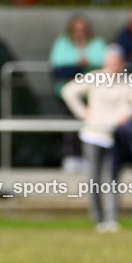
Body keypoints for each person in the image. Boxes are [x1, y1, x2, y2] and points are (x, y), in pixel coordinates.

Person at [61, 45, 132, 233]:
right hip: (93, 134)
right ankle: (98, 218)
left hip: (115, 136)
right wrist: (82, 112)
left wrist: (129, 113)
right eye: (111, 60)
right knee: (93, 178)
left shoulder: (129, 82)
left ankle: (111, 219)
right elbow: (68, 91)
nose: (114, 64)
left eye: (117, 61)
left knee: (112, 179)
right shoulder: (94, 77)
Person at [49, 15, 105, 171]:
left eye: (83, 29)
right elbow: (58, 65)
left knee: (90, 126)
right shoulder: (62, 43)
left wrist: (83, 66)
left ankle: (88, 157)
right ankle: (70, 156)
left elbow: (101, 64)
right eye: (76, 29)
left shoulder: (97, 43)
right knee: (69, 126)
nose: (80, 32)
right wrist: (79, 65)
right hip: (67, 92)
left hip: (90, 95)